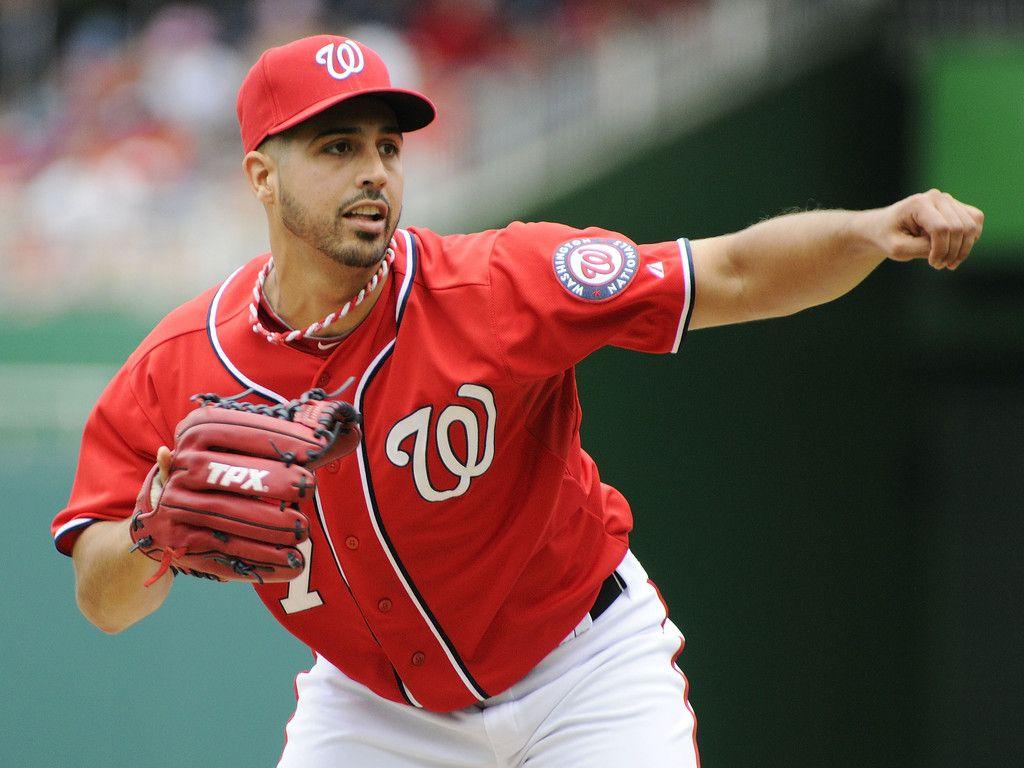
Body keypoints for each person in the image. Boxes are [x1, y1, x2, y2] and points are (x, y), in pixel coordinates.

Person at [52, 35, 983, 768]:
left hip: (580, 670)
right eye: (337, 147)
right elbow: (103, 600)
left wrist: (869, 230)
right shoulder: (183, 362)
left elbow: (730, 271)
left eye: (387, 145)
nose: (375, 170)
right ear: (262, 174)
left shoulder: (500, 284)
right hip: (378, 713)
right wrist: (148, 535)